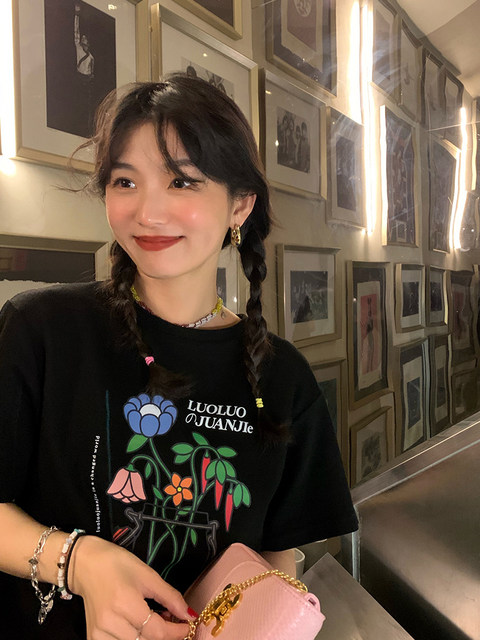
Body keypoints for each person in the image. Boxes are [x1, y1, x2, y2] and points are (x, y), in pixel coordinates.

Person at [0, 75, 358, 639]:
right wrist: (79, 560)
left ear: (240, 205)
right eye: (125, 181)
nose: (148, 212)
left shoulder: (282, 377)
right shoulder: (41, 330)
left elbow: (276, 557)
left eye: (182, 182)